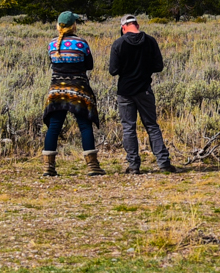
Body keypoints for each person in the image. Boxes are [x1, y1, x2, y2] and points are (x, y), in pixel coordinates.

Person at [107, 14, 174, 173]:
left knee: (129, 127)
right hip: (144, 89)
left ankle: (133, 165)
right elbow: (158, 66)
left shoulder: (119, 43)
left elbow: (113, 71)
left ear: (123, 28)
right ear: (137, 24)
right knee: (152, 125)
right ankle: (163, 163)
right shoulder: (150, 41)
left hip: (125, 91)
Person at [42, 11, 103, 177]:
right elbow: (89, 65)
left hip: (56, 90)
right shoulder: (81, 43)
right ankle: (92, 166)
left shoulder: (52, 44)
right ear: (73, 25)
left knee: (54, 127)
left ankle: (48, 167)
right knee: (85, 125)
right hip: (78, 89)